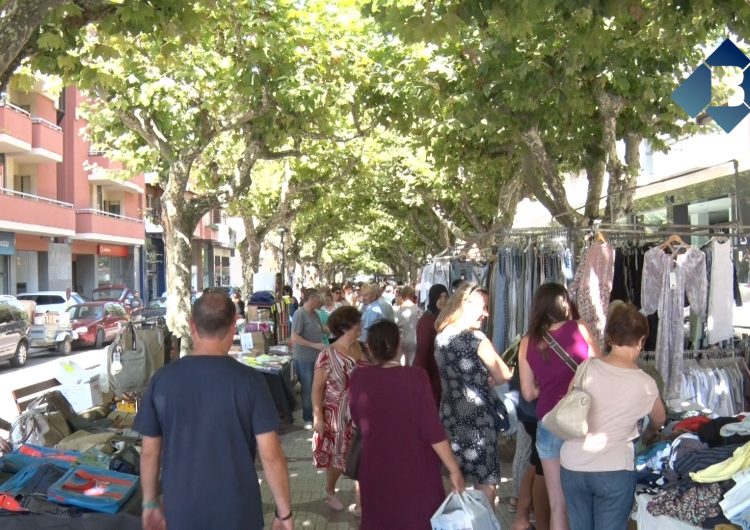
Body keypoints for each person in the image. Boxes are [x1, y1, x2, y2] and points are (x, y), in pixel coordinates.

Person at [134, 292, 293, 530]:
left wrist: (149, 503)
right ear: (233, 326)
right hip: (238, 511)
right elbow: (271, 455)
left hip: (181, 510)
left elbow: (149, 453)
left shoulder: (163, 380)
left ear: (192, 326)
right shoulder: (250, 381)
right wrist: (284, 513)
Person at [350, 320, 465, 530]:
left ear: (369, 347)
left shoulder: (358, 377)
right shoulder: (415, 377)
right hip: (415, 467)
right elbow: (433, 430)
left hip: (375, 465)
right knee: (417, 520)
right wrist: (453, 468)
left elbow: (357, 418)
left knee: (379, 520)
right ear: (399, 345)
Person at [561, 303, 665, 530]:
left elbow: (569, 402)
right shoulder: (645, 383)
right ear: (641, 341)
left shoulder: (586, 367)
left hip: (573, 463)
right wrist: (649, 432)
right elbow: (660, 418)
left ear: (609, 338)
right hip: (614, 469)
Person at [518, 283, 601, 530]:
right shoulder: (580, 329)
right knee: (585, 498)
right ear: (564, 303)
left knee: (558, 504)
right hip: (583, 421)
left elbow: (528, 392)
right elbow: (598, 370)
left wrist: (548, 384)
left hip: (549, 423)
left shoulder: (527, 342)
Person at [435, 283, 513, 505]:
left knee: (452, 477)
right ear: (466, 304)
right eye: (484, 307)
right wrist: (488, 380)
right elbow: (503, 374)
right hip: (478, 420)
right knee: (485, 480)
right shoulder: (476, 339)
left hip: (450, 415)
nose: (487, 313)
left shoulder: (441, 336)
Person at [311, 306, 364, 511]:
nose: (361, 325)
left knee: (360, 454)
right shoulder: (327, 355)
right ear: (346, 326)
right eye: (357, 322)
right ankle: (330, 489)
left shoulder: (363, 348)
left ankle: (361, 499)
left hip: (361, 412)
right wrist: (318, 418)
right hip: (336, 414)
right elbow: (316, 389)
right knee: (337, 457)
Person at [291, 288, 326, 428]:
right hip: (304, 358)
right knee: (307, 388)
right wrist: (314, 345)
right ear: (312, 298)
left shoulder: (315, 314)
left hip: (316, 358)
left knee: (317, 387)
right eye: (319, 298)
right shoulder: (300, 314)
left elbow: (321, 328)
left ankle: (315, 413)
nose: (321, 301)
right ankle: (307, 418)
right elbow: (294, 337)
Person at [413, 284, 449, 409]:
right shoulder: (427, 321)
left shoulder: (443, 317)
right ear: (433, 298)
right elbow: (422, 351)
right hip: (432, 374)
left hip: (442, 373)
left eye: (445, 297)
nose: (443, 300)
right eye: (439, 297)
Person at [394, 286, 421, 365]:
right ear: (413, 295)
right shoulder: (419, 311)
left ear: (402, 296)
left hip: (402, 341)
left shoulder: (397, 311)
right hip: (415, 340)